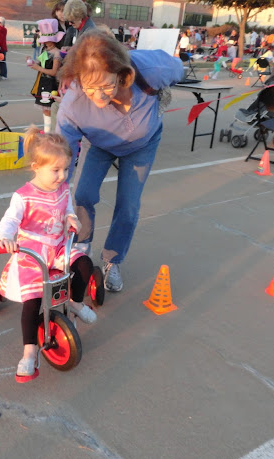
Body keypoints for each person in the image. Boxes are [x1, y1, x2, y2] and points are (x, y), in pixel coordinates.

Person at [55, 31, 184, 291]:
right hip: (98, 145)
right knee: (82, 195)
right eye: (90, 87)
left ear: (121, 73)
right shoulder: (72, 105)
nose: (99, 95)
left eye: (106, 85)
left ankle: (112, 261)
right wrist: (53, 194)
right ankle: (81, 249)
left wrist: (166, 89)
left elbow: (178, 67)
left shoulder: (151, 69)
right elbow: (62, 155)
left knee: (128, 205)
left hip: (142, 145)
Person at [0, 126, 97, 378]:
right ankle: (29, 352)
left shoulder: (62, 188)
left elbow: (68, 207)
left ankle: (75, 302)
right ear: (36, 167)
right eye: (56, 170)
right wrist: (5, 237)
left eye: (66, 169)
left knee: (84, 264)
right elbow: (10, 219)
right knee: (32, 303)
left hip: (58, 246)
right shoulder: (23, 196)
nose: (62, 176)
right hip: (32, 254)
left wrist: (71, 217)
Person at [28, 19, 63, 133]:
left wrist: (38, 68)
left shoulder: (57, 53)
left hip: (52, 84)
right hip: (43, 83)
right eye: (45, 40)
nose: (47, 42)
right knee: (45, 110)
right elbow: (40, 63)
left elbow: (54, 72)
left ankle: (51, 133)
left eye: (49, 40)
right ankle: (47, 132)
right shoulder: (44, 50)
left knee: (51, 110)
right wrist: (31, 62)